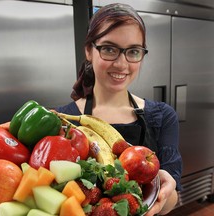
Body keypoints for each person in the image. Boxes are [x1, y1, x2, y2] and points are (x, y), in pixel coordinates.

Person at [55, 3, 182, 216]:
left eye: (133, 51)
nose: (122, 64)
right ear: (89, 50)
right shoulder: (63, 122)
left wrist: (164, 193)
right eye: (109, 49)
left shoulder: (162, 116)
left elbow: (172, 198)